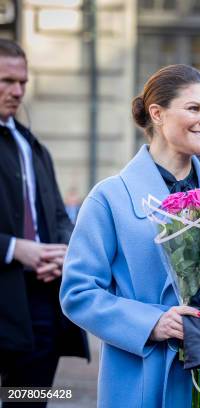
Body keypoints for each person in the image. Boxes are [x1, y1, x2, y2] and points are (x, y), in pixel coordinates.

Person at [60, 64, 200, 408]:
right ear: (157, 114)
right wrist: (154, 323)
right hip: (144, 378)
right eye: (195, 109)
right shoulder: (110, 198)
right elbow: (79, 292)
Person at [0, 39, 88, 406]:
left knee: (27, 399)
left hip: (38, 301)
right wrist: (13, 248)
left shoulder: (30, 144)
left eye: (23, 82)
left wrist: (64, 252)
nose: (17, 91)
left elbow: (55, 213)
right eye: (6, 80)